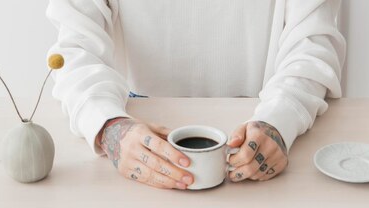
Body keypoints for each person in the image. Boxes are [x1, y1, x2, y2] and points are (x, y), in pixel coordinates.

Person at [46, 0, 345, 190]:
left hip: (256, 146)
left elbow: (312, 44)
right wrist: (109, 125)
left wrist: (280, 119)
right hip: (142, 146)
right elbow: (75, 47)